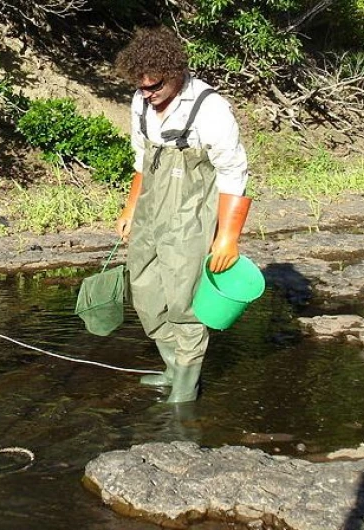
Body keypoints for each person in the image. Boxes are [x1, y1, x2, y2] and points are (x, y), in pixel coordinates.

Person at [113, 26, 250, 403]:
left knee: (183, 299)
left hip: (192, 211)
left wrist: (227, 238)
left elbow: (234, 173)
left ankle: (186, 388)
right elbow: (142, 160)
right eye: (141, 87)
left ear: (175, 73)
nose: (147, 94)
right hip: (150, 207)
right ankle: (172, 367)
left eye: (155, 86)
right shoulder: (140, 101)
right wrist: (129, 208)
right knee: (143, 289)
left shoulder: (211, 108)